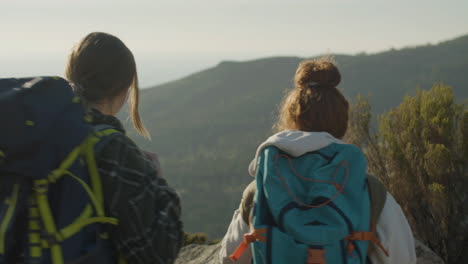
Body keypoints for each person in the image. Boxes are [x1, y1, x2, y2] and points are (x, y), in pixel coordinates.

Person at [219, 58, 416, 264]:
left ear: (291, 118)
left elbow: (230, 258)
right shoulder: (368, 190)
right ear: (341, 121)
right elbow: (402, 256)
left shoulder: (262, 189)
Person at [65, 32, 183, 264]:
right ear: (125, 87)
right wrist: (157, 183)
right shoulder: (113, 150)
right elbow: (158, 253)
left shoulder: (35, 134)